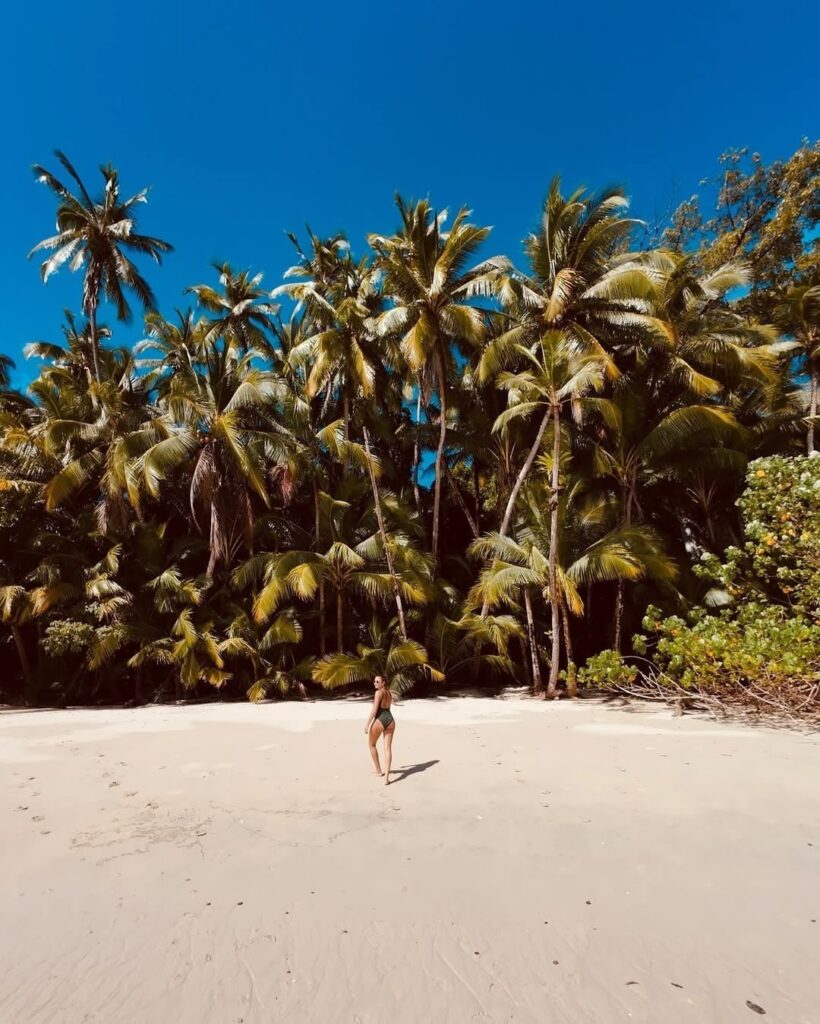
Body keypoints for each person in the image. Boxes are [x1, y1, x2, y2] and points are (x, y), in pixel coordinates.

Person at [364, 675, 395, 784]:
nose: (375, 683)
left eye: (377, 681)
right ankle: (386, 778)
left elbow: (374, 711)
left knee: (372, 745)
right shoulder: (389, 693)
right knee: (387, 749)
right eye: (374, 681)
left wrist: (367, 724)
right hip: (390, 720)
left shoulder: (378, 693)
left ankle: (378, 771)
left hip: (380, 720)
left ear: (383, 683)